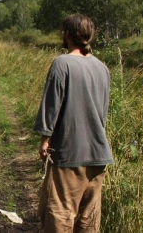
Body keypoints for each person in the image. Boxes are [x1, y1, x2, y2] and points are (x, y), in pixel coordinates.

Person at [34, 14, 113, 232]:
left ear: (68, 35)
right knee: (88, 220)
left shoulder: (62, 63)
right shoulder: (102, 68)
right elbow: (102, 113)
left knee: (60, 214)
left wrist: (44, 139)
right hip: (99, 154)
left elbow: (51, 106)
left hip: (69, 153)